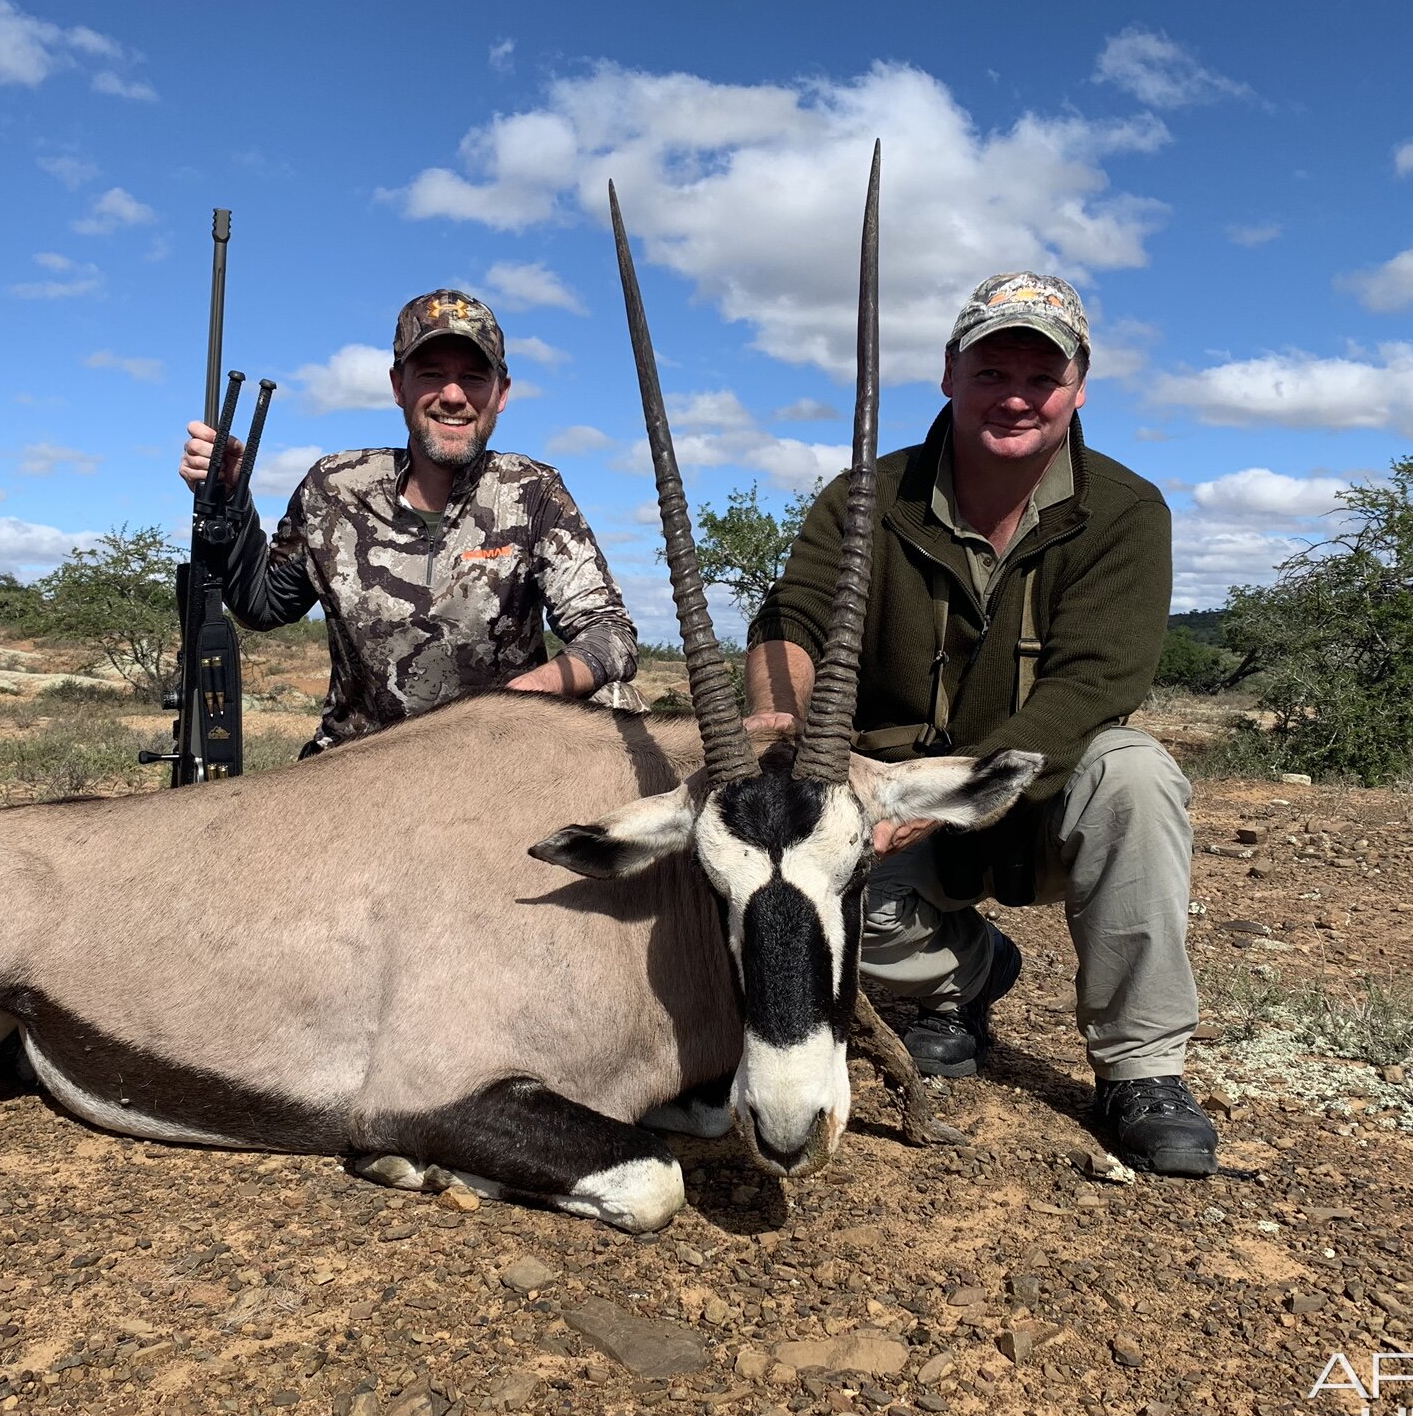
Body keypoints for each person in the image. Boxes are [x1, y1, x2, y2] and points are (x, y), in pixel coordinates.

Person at [744, 273, 1217, 1176]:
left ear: (1078, 386)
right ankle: (962, 981)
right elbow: (789, 622)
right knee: (802, 881)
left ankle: (1141, 1069)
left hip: (1035, 790)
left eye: (1039, 378)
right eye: (991, 369)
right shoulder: (863, 499)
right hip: (883, 792)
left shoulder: (1126, 511)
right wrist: (780, 731)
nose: (1014, 396)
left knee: (1138, 774)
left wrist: (957, 790)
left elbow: (1096, 682)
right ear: (950, 374)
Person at [178, 288, 642, 752]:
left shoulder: (532, 491)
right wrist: (230, 500)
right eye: (432, 375)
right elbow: (263, 606)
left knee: (617, 702)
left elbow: (609, 632)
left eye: (474, 377)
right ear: (399, 385)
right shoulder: (334, 485)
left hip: (497, 757)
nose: (454, 396)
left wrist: (522, 699)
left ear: (501, 393)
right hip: (362, 764)